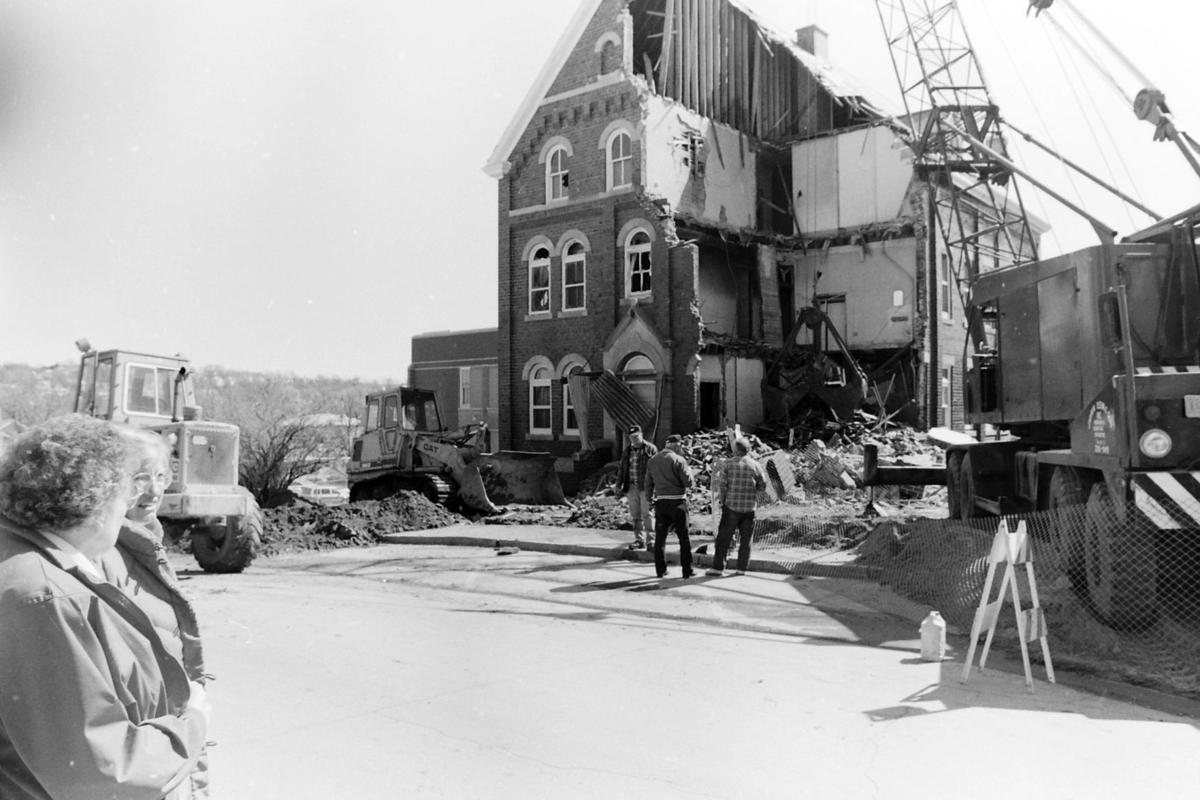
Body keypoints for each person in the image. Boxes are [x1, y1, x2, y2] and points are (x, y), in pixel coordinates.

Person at [0, 414, 210, 799]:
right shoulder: (46, 595)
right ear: (96, 499)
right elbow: (96, 774)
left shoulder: (27, 560)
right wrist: (192, 723)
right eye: (127, 492)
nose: (130, 505)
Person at [108, 426, 211, 797]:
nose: (153, 490)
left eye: (160, 476)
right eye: (139, 478)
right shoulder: (103, 550)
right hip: (149, 742)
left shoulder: (148, 538)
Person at [707, 437, 768, 577]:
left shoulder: (728, 464)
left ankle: (718, 568)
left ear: (735, 450)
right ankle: (741, 569)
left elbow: (722, 486)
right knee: (746, 540)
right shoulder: (755, 465)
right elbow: (763, 485)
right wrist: (753, 493)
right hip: (749, 508)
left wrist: (723, 501)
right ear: (747, 449)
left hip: (731, 507)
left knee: (724, 538)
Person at [644, 433, 694, 579]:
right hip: (678, 502)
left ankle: (660, 569)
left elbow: (648, 483)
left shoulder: (653, 460)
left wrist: (649, 499)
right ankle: (687, 570)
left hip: (661, 503)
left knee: (660, 538)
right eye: (681, 445)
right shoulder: (679, 460)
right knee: (683, 538)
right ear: (677, 445)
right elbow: (688, 482)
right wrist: (690, 473)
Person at [615, 423, 657, 549]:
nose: (634, 439)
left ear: (642, 435)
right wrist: (618, 485)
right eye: (632, 437)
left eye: (636, 436)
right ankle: (639, 540)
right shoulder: (627, 450)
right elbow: (622, 469)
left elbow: (655, 470)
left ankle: (651, 541)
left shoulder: (651, 449)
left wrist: (655, 488)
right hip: (631, 487)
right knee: (635, 516)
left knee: (647, 514)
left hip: (645, 487)